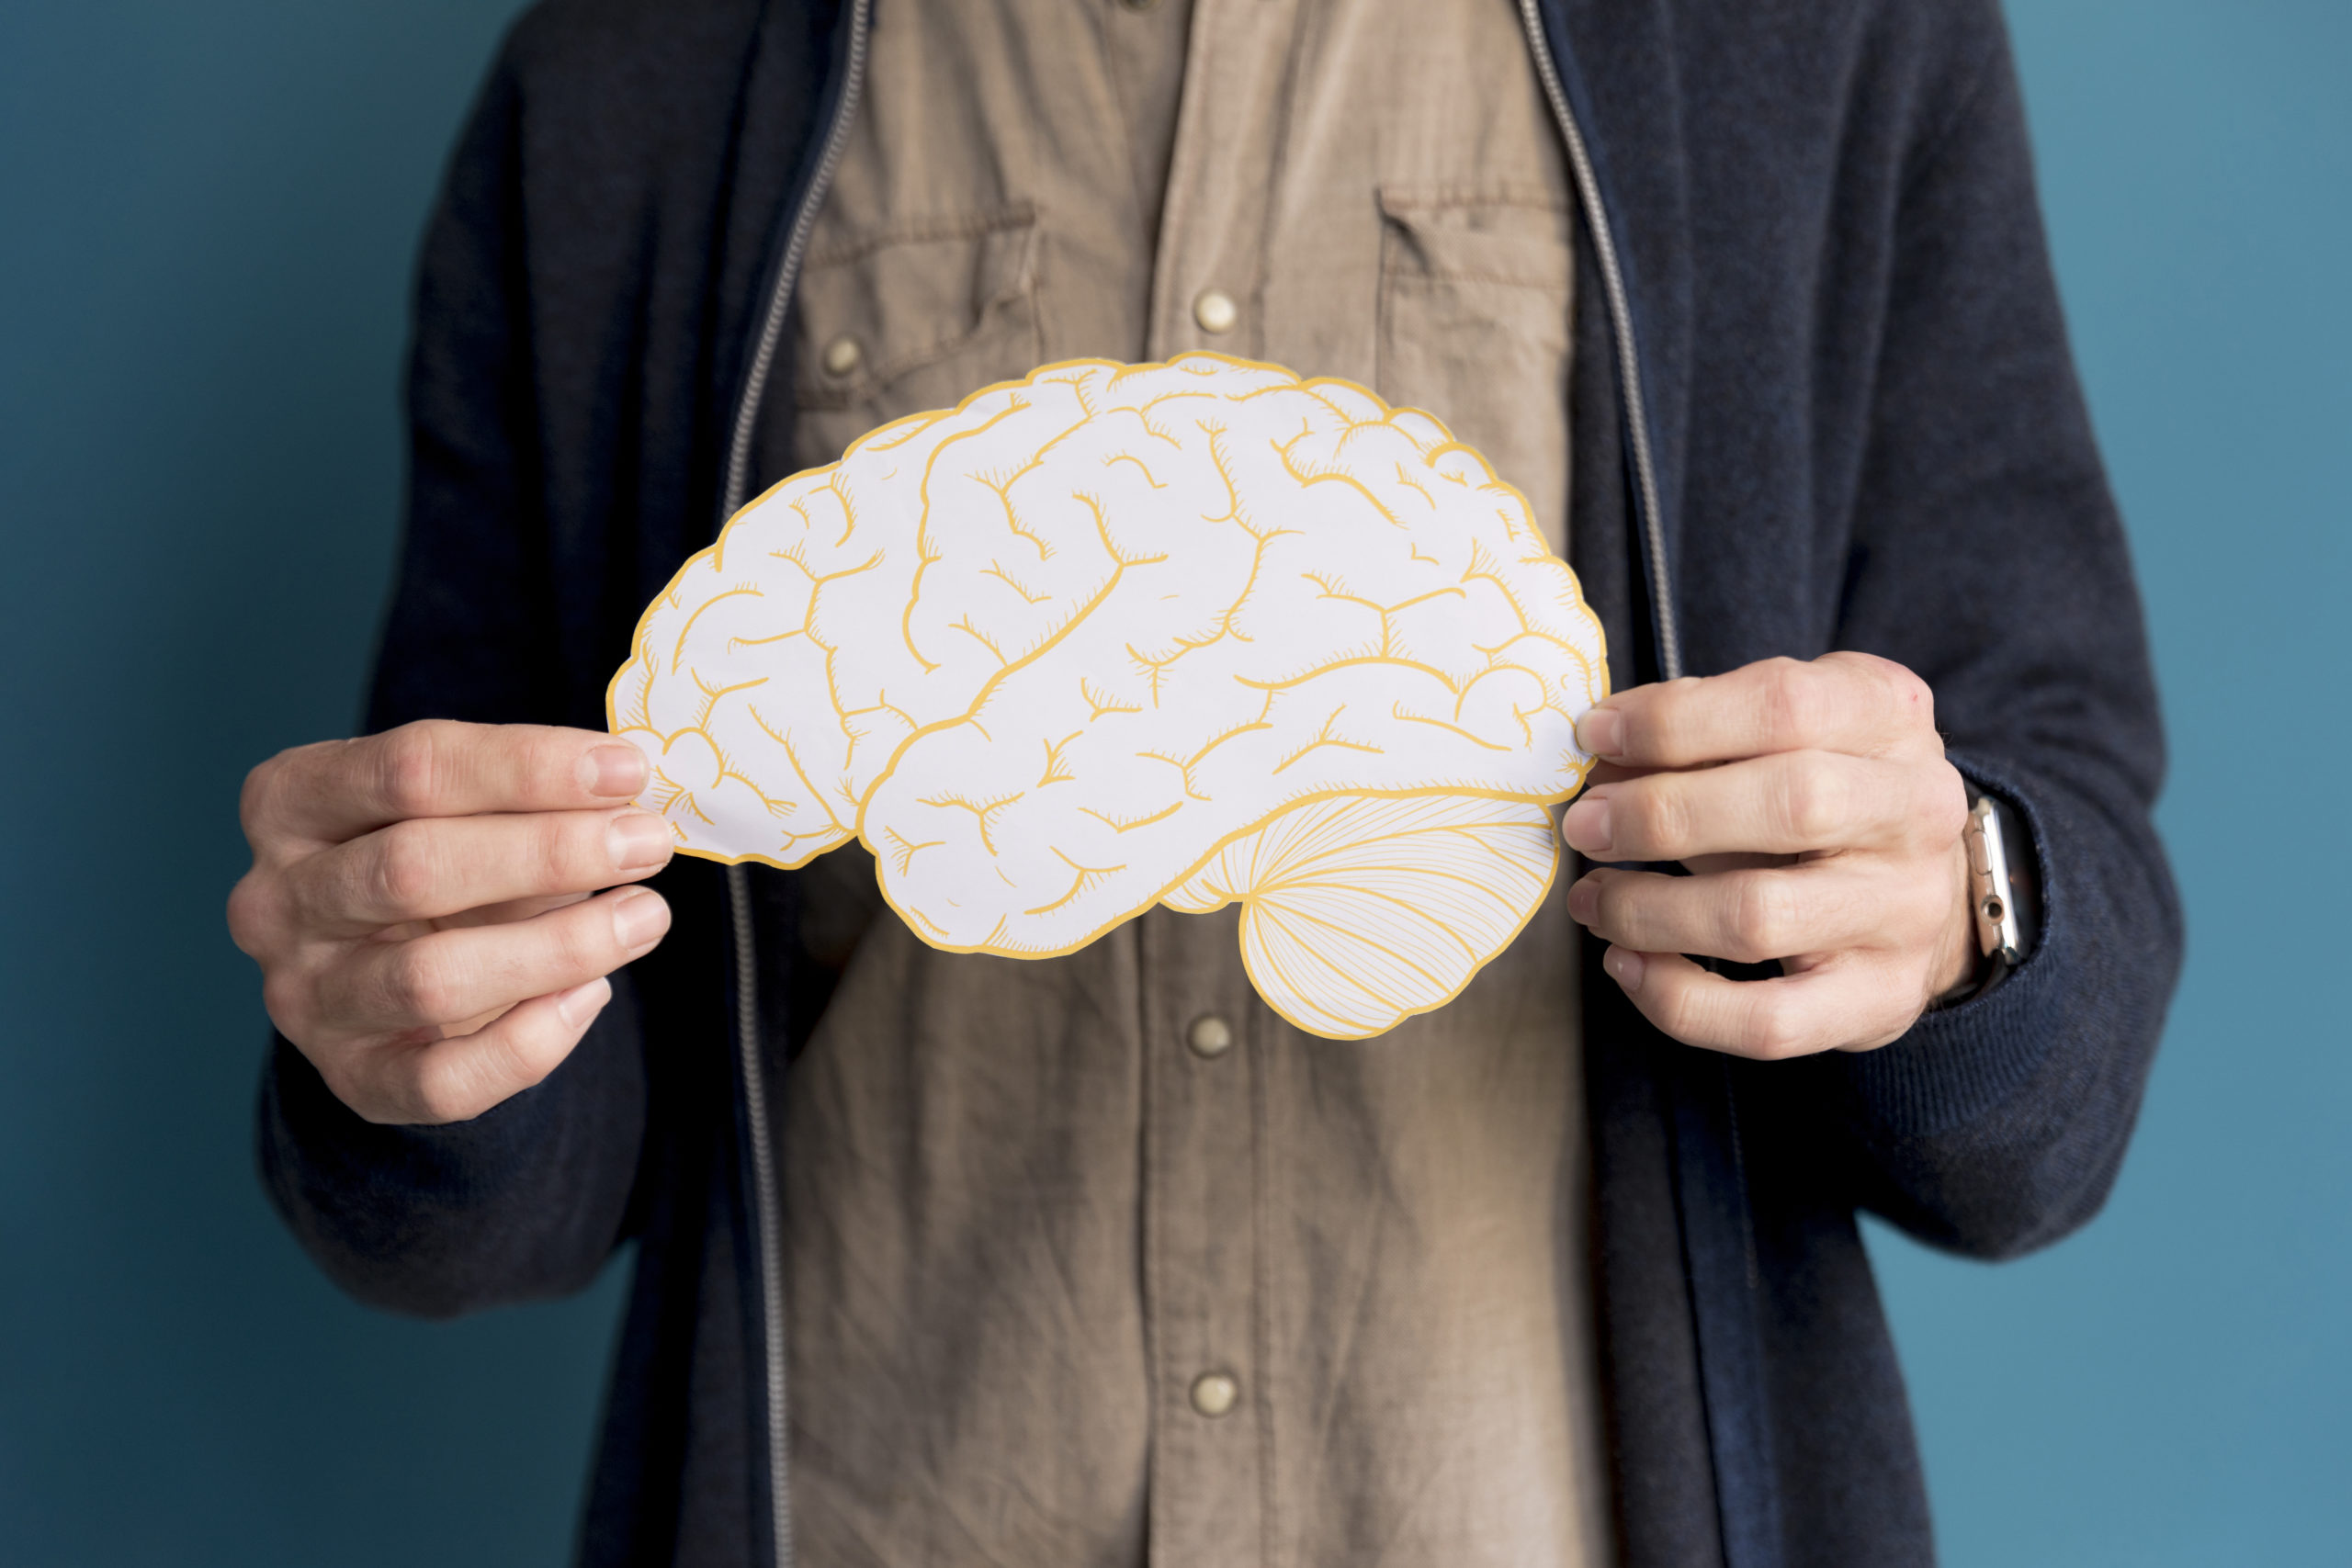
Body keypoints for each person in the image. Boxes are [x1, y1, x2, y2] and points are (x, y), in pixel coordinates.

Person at [229, 0, 2180, 1563]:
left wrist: (1957, 911)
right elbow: (508, 1170)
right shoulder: (636, 73)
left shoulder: (1812, 36)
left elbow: (2050, 1031)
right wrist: (409, 1048)